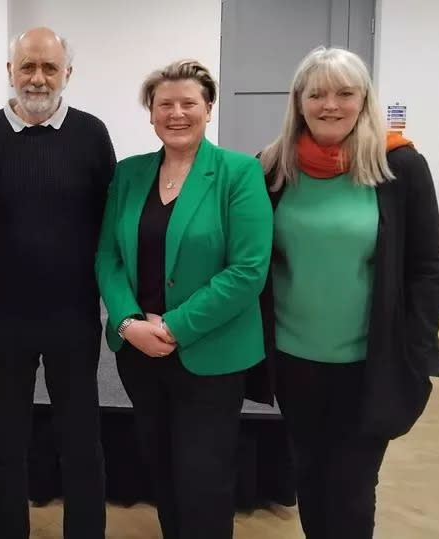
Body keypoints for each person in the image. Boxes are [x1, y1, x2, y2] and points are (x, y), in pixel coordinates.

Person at [258, 46, 439, 539]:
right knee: (309, 476)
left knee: (352, 487)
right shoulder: (272, 167)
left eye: (346, 93)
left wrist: (415, 342)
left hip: (370, 363)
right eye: (316, 93)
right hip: (294, 359)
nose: (330, 105)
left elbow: (429, 267)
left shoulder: (399, 167)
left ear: (364, 99)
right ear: (298, 102)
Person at [95, 59, 273, 539]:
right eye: (164, 104)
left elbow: (249, 269)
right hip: (138, 352)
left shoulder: (238, 173)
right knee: (163, 469)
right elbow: (108, 255)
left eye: (188, 103)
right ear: (150, 113)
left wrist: (174, 326)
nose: (176, 113)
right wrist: (127, 322)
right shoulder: (130, 174)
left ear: (208, 109)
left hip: (211, 353)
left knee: (205, 477)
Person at [0, 27, 115, 539]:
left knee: (81, 434)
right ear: (9, 71)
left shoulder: (92, 135)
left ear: (67, 74)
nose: (38, 77)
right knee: (5, 433)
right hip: (3, 314)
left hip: (74, 314)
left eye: (50, 67)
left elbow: (107, 223)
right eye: (27, 66)